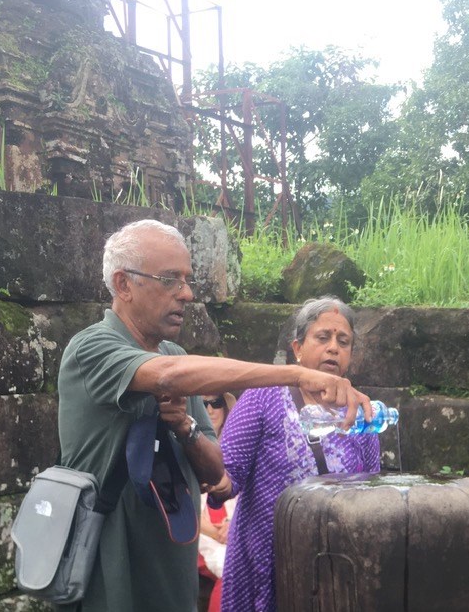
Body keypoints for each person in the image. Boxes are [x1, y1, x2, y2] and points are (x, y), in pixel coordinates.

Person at [56, 220, 371, 612]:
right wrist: (296, 374)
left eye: (187, 280)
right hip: (110, 556)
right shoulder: (92, 348)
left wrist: (184, 427)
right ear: (124, 285)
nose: (186, 294)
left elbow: (216, 469)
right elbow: (168, 378)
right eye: (170, 279)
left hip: (171, 558)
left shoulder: (174, 354)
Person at [216, 296, 381, 612]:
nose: (333, 347)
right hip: (264, 567)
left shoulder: (362, 414)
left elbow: (371, 499)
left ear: (351, 356)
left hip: (335, 572)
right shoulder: (262, 398)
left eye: (343, 341)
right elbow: (227, 476)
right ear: (297, 349)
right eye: (323, 337)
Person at [198, 393, 237, 612]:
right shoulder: (184, 442)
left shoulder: (236, 446)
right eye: (203, 404)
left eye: (216, 403)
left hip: (234, 524)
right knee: (231, 567)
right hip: (200, 530)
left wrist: (233, 527)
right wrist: (217, 533)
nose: (210, 410)